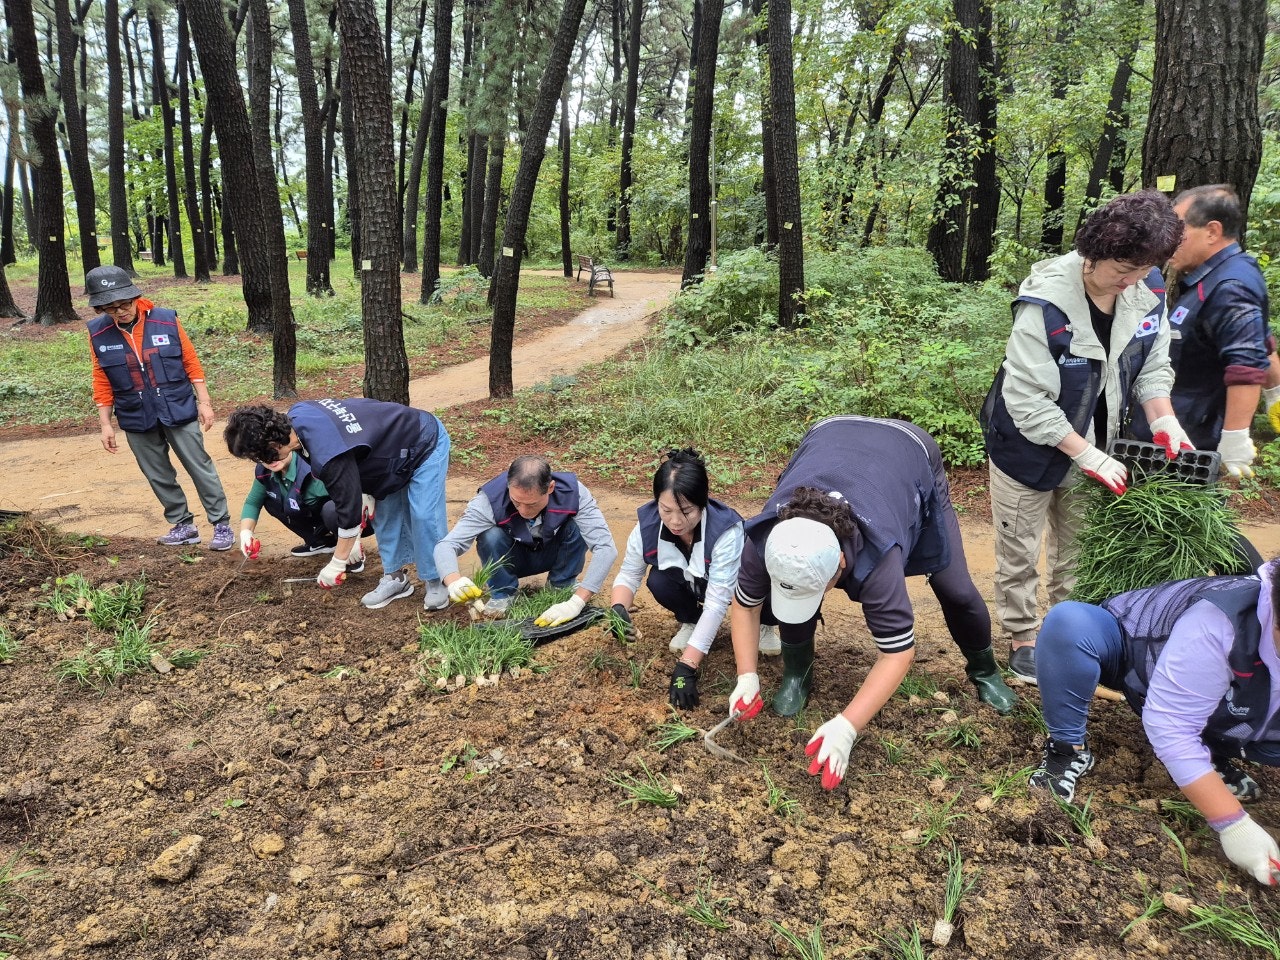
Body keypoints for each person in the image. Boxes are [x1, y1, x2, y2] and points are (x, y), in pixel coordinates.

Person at [725, 415, 1018, 792]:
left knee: (955, 588)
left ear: (842, 565)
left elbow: (897, 653)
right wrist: (746, 676)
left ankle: (984, 670)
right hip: (829, 435)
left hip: (908, 453)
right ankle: (797, 674)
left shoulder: (879, 559)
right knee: (800, 593)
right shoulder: (768, 539)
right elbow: (745, 605)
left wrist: (847, 726)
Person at [981, 190, 1192, 685]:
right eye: (1124, 268)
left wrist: (1164, 420)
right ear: (1092, 253)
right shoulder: (1045, 304)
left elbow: (1152, 367)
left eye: (1144, 269)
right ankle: (1022, 636)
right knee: (1020, 547)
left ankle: (1065, 632)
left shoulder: (1148, 289)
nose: (1132, 280)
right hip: (1024, 445)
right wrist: (1087, 454)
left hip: (1095, 442)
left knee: (1076, 549)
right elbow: (1029, 402)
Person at [1028, 561, 1280, 887]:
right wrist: (1233, 824)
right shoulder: (1219, 624)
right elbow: (1171, 724)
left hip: (1249, 718)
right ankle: (1068, 749)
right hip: (1143, 665)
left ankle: (1211, 755)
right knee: (1069, 625)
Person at [224, 400, 450, 608]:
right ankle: (395, 577)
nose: (262, 463)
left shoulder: (328, 452)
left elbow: (348, 512)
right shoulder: (297, 416)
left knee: (423, 514)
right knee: (386, 515)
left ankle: (436, 580)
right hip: (387, 456)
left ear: (273, 445)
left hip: (421, 441)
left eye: (260, 456)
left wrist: (337, 563)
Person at [604, 449, 778, 709]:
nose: (675, 521)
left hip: (740, 592)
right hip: (695, 584)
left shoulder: (725, 531)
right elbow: (629, 573)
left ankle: (764, 626)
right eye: (666, 510)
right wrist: (618, 606)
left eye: (686, 511)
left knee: (769, 596)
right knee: (659, 580)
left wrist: (687, 665)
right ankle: (690, 621)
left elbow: (718, 603)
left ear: (703, 503)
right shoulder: (646, 528)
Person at [85, 265, 234, 551]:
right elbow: (101, 378)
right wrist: (105, 423)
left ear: (135, 297)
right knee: (158, 474)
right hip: (134, 414)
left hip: (177, 406)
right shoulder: (98, 333)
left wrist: (204, 402)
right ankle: (183, 525)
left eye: (124, 304)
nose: (120, 311)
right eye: (110, 308)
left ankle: (221, 524)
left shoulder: (165, 320)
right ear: (100, 308)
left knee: (199, 466)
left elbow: (191, 362)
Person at [1130, 184, 1270, 477]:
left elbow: (1245, 363)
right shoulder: (1215, 278)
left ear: (1212, 231)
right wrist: (1277, 391)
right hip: (1171, 436)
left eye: (1178, 231)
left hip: (1189, 450)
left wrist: (1234, 436)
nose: (1168, 242)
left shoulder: (1231, 286)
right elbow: (1260, 342)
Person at [435, 455, 617, 625]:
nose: (523, 511)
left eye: (532, 504)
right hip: (512, 558)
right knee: (490, 535)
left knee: (577, 526)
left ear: (551, 488)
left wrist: (577, 602)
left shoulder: (573, 494)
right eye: (516, 502)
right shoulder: (489, 501)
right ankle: (503, 593)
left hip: (553, 552)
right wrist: (453, 581)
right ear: (508, 486)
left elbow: (605, 548)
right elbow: (447, 545)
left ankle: (561, 585)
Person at [236, 446, 373, 560]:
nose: (269, 459)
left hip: (360, 518)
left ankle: (351, 555)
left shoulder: (313, 470)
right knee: (270, 500)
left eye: (274, 451)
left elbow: (355, 498)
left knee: (331, 510)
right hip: (317, 513)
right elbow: (252, 503)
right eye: (261, 455)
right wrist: (246, 533)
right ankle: (320, 542)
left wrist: (354, 541)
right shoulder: (265, 472)